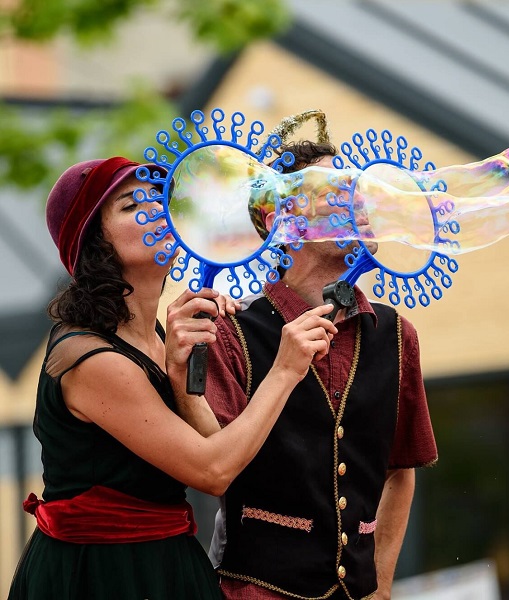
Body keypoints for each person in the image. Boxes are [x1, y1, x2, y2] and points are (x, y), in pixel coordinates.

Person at [8, 157, 336, 599]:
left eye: (159, 199)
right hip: (101, 575)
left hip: (164, 559)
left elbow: (218, 448)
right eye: (130, 205)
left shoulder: (158, 336)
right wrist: (285, 369)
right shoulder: (91, 359)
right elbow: (214, 470)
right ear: (92, 241)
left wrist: (182, 375)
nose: (155, 210)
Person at [195, 137, 438, 600]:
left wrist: (381, 586)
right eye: (335, 190)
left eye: (357, 189)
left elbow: (400, 470)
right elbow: (210, 464)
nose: (358, 200)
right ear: (282, 223)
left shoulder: (397, 334)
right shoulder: (232, 333)